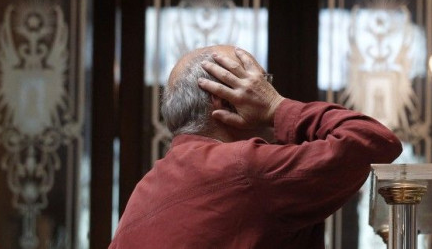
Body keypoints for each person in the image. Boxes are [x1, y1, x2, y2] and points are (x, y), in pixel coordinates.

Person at [109, 45, 402, 249]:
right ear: (225, 100)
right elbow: (374, 141)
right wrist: (276, 106)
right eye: (261, 83)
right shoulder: (242, 167)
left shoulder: (147, 186)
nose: (268, 91)